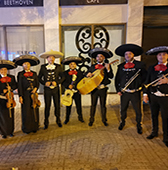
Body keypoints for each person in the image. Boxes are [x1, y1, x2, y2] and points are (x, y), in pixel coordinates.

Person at [115, 44, 147, 134]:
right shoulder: (120, 66)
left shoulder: (140, 65)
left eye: (130, 54)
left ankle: (139, 125)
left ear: (133, 55)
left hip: (135, 92)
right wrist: (118, 90)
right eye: (126, 54)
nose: (128, 56)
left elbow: (145, 78)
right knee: (123, 109)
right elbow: (117, 79)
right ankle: (122, 122)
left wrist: (143, 90)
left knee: (138, 110)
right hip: (124, 92)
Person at [143, 46, 168, 147]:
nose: (161, 56)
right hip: (153, 96)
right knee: (153, 115)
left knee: (166, 118)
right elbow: (147, 82)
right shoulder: (151, 68)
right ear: (157, 57)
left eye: (164, 54)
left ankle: (166, 137)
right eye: (159, 55)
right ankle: (154, 132)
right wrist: (145, 94)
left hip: (165, 97)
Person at [86, 48, 113, 126]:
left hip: (103, 89)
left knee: (103, 105)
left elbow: (111, 76)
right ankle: (91, 120)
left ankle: (104, 119)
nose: (99, 58)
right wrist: (88, 74)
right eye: (97, 56)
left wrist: (108, 70)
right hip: (94, 89)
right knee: (93, 105)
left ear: (103, 58)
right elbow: (87, 73)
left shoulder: (107, 66)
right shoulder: (93, 66)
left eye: (101, 56)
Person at [13, 55, 40, 134]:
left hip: (33, 95)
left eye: (28, 64)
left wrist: (35, 88)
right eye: (25, 64)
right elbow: (20, 86)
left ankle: (35, 127)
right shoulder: (20, 74)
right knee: (26, 111)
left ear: (30, 65)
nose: (26, 65)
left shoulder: (34, 73)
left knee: (34, 109)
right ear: (22, 65)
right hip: (25, 94)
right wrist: (20, 96)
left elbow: (37, 83)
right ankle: (27, 128)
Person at [38, 50, 65, 129]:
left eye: (52, 58)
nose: (51, 59)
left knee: (57, 105)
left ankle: (58, 120)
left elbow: (63, 77)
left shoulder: (58, 66)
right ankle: (46, 122)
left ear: (54, 59)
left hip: (56, 89)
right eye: (50, 58)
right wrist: (44, 83)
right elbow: (39, 77)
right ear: (47, 59)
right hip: (47, 90)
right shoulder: (43, 67)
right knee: (47, 105)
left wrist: (57, 82)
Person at [61, 56, 84, 124]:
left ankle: (80, 117)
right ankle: (67, 119)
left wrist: (78, 87)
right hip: (69, 92)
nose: (72, 65)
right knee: (68, 106)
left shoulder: (79, 72)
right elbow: (63, 82)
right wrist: (68, 85)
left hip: (76, 92)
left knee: (78, 105)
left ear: (76, 65)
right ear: (69, 65)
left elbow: (82, 81)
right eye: (71, 64)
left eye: (74, 64)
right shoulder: (65, 73)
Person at [0, 60, 17, 138]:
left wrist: (11, 88)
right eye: (2, 70)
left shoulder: (11, 77)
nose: (4, 71)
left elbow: (15, 85)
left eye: (5, 69)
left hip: (10, 99)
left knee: (10, 116)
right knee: (2, 117)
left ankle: (11, 131)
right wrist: (2, 91)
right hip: (1, 100)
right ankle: (3, 132)